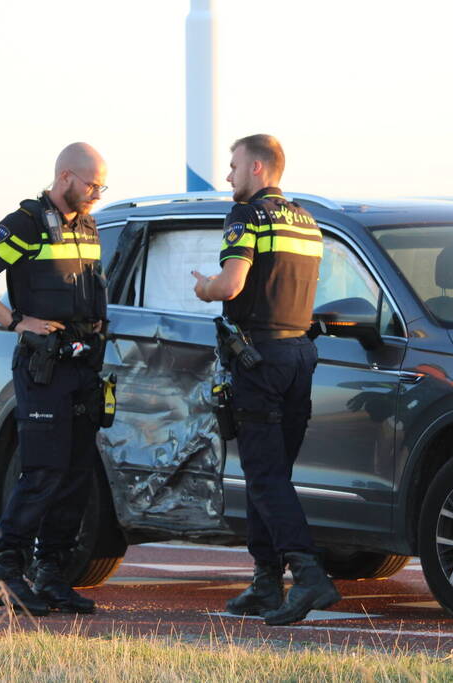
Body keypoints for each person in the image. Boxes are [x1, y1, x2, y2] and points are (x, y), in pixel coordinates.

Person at [0, 142, 109, 616]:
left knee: (77, 474)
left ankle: (52, 575)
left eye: (102, 188)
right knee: (42, 472)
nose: (96, 195)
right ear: (65, 177)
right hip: (44, 369)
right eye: (91, 185)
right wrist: (16, 322)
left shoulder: (87, 225)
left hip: (83, 366)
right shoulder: (24, 223)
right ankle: (5, 575)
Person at [191, 134, 340, 626]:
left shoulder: (247, 215)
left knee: (263, 474)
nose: (228, 175)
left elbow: (232, 284)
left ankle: (308, 575)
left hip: (258, 359)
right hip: (299, 356)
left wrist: (205, 288)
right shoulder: (306, 220)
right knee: (273, 473)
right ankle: (265, 581)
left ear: (256, 168)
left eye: (233, 165)